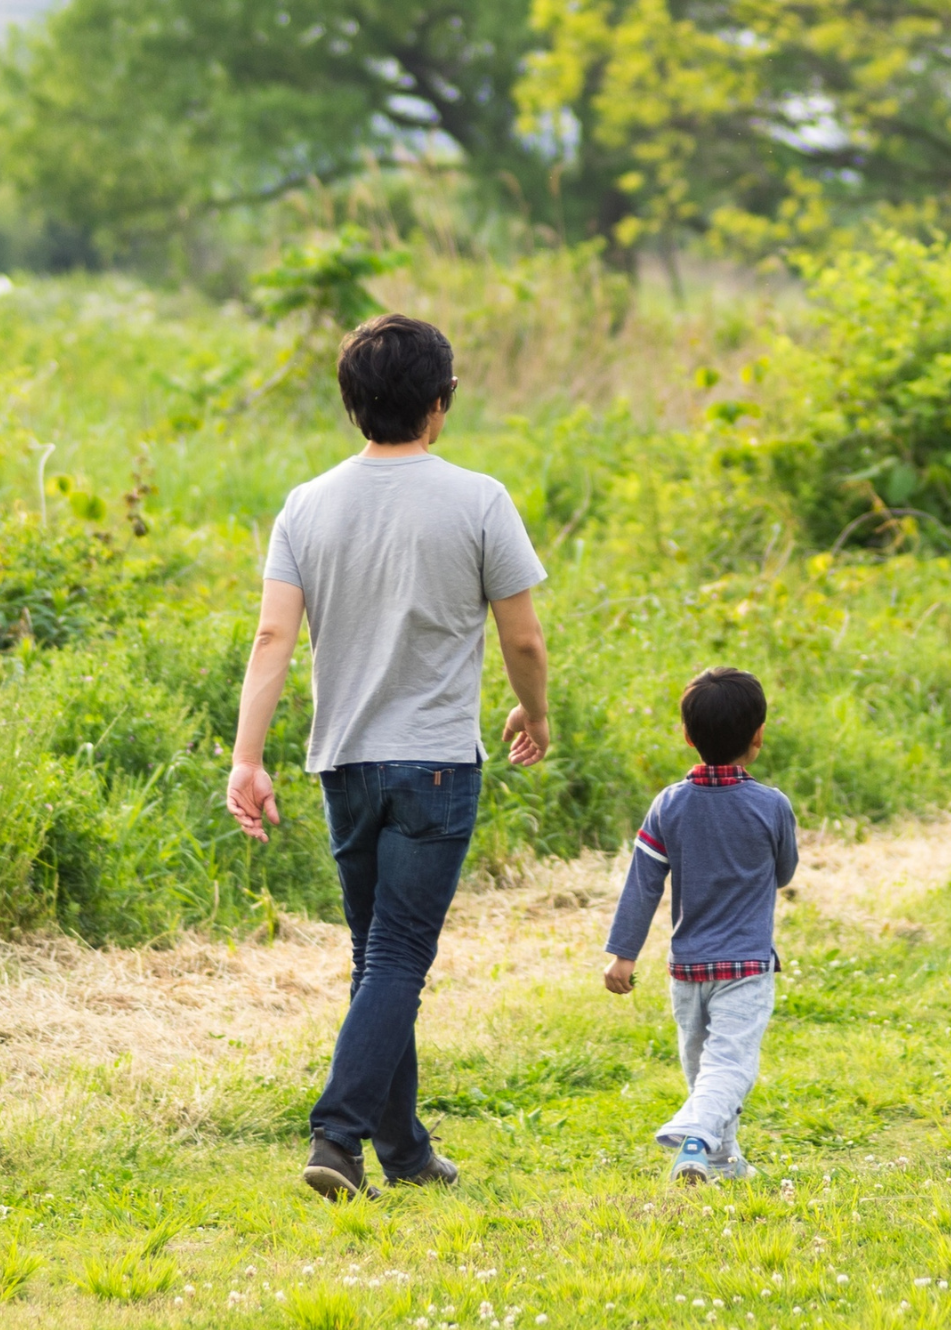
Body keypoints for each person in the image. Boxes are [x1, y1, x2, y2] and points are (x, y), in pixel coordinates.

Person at [226, 313, 551, 1201]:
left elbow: (270, 639)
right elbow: (522, 639)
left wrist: (246, 760)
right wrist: (535, 713)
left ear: (351, 403)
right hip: (438, 763)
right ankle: (337, 1136)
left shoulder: (307, 504)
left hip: (344, 765)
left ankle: (406, 1152)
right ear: (439, 405)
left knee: (379, 959)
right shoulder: (479, 499)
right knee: (399, 957)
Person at [602, 667, 798, 1184]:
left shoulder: (669, 805)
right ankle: (693, 1137)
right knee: (728, 1068)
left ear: (687, 737)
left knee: (704, 1070)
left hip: (687, 969)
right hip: (747, 966)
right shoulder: (772, 806)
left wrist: (623, 954)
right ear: (758, 735)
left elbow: (642, 884)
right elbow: (785, 872)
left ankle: (720, 1162)